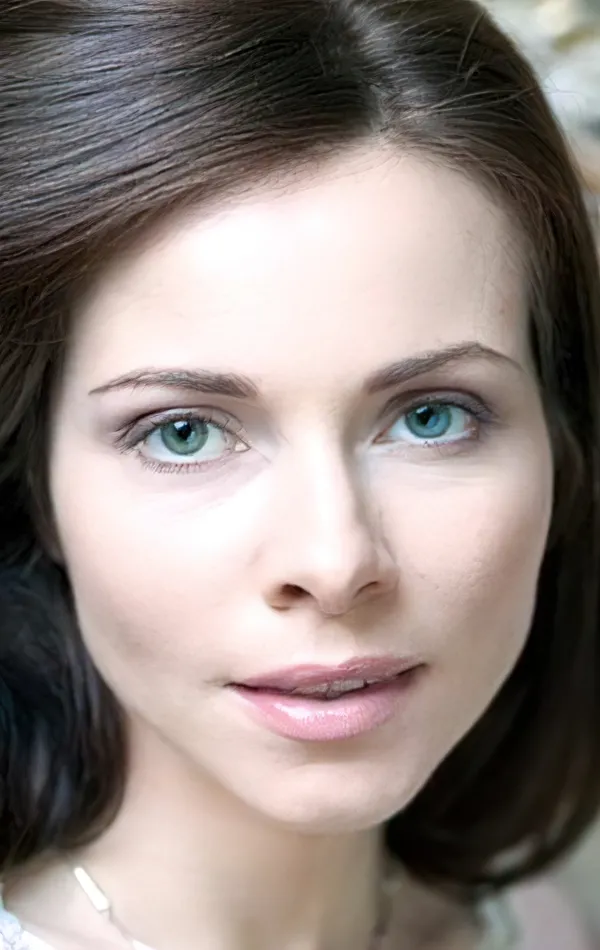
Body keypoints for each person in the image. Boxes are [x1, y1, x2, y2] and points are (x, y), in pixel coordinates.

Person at [0, 0, 599, 947]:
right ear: (34, 488)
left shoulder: (543, 923)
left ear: (563, 445)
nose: (334, 561)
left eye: (431, 417)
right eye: (184, 433)